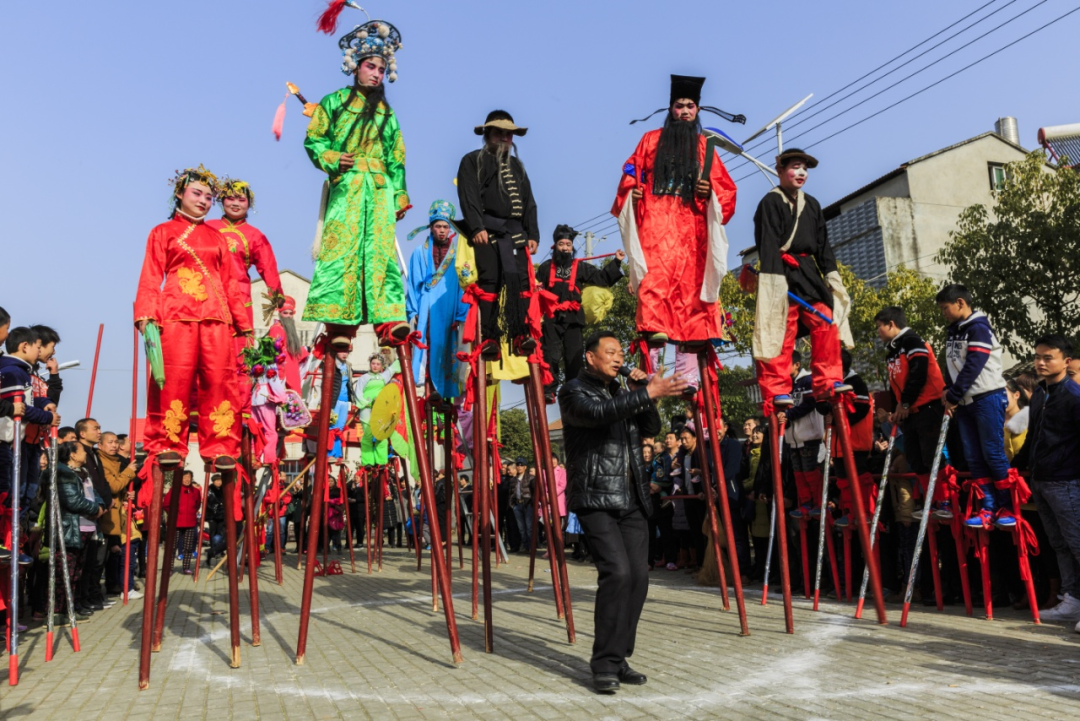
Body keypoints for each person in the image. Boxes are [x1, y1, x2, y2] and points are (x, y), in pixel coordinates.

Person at [559, 330, 686, 693]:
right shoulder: (572, 391)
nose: (617, 358)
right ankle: (603, 665)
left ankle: (618, 657)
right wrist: (643, 394)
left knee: (638, 579)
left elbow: (652, 427)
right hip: (596, 497)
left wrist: (643, 392)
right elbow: (597, 415)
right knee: (616, 573)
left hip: (632, 499)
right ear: (590, 357)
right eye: (610, 352)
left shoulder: (623, 392)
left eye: (620, 354)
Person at [303, 18, 410, 347]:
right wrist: (332, 158)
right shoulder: (333, 102)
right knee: (342, 251)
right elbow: (314, 139)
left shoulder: (386, 113)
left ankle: (389, 323)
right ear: (355, 67)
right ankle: (339, 328)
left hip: (379, 190)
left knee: (380, 253)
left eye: (381, 69)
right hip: (347, 188)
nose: (376, 74)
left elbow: (396, 155)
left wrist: (400, 194)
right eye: (370, 67)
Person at [134, 165, 250, 468]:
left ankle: (220, 446)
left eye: (209, 197)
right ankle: (167, 443)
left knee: (220, 381)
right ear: (179, 194)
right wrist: (147, 314)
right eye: (197, 193)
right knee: (173, 378)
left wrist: (245, 326)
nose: (203, 201)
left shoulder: (218, 237)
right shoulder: (161, 232)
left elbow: (230, 284)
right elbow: (150, 276)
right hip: (175, 315)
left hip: (216, 317)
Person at [612, 75, 738, 347]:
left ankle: (697, 331)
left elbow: (726, 189)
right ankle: (655, 325)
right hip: (656, 223)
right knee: (655, 275)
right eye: (679, 106)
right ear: (670, 109)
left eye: (690, 106)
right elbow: (631, 171)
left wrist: (710, 194)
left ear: (698, 110)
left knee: (693, 279)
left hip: (693, 226)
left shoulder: (705, 147)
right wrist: (633, 191)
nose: (684, 111)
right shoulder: (650, 140)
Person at [745, 149, 854, 410]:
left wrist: (831, 275)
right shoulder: (769, 203)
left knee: (826, 321)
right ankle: (777, 389)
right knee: (782, 332)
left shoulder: (813, 204)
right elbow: (768, 244)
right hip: (779, 271)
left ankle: (828, 380)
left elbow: (824, 246)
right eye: (795, 167)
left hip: (808, 272)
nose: (801, 173)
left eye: (804, 168)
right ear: (780, 170)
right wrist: (774, 284)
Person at [457, 110, 540, 359]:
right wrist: (477, 227)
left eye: (508, 134)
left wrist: (533, 232)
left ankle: (520, 334)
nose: (504, 138)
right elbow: (468, 195)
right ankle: (490, 338)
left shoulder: (517, 166)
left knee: (522, 283)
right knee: (490, 282)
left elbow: (528, 202)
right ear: (488, 135)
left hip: (516, 233)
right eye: (499, 133)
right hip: (488, 231)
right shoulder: (471, 160)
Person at [1011, 335, 1080, 628]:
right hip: (1040, 480)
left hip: (1066, 481)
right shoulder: (1039, 393)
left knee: (1077, 542)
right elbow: (1033, 436)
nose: (1039, 362)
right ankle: (1072, 600)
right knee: (1059, 544)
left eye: (1047, 357)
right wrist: (1015, 467)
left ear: (1066, 361)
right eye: (1037, 356)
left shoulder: (1074, 396)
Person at [937, 284, 1013, 529]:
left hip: (986, 397)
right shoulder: (953, 331)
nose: (944, 313)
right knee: (973, 457)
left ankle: (1006, 506)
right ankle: (988, 507)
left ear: (960, 302)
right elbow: (952, 367)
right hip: (965, 402)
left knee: (992, 452)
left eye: (945, 308)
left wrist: (954, 393)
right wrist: (947, 389)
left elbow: (974, 364)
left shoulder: (978, 327)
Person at [208, 177, 284, 421]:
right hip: (207, 298)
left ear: (249, 204)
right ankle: (202, 407)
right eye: (230, 198)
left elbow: (269, 269)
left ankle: (239, 409)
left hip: (240, 302)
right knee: (208, 351)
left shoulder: (254, 235)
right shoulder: (206, 227)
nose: (235, 203)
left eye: (241, 199)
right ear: (221, 201)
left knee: (238, 356)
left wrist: (277, 300)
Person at [535, 225, 625, 400]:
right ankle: (548, 390)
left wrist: (617, 262)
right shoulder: (545, 267)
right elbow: (536, 288)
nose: (565, 248)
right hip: (551, 316)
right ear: (555, 246)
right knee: (549, 353)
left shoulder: (580, 267)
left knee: (574, 356)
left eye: (568, 244)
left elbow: (601, 278)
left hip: (574, 316)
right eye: (562, 244)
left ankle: (574, 391)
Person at [875, 306, 948, 518]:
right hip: (910, 413)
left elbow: (919, 373)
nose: (878, 332)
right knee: (915, 460)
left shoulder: (913, 341)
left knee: (931, 457)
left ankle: (945, 500)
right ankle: (931, 500)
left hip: (929, 407)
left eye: (880, 327)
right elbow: (895, 385)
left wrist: (905, 403)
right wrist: (896, 409)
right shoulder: (892, 350)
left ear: (891, 324)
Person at [405, 199, 468, 399]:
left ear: (450, 229)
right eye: (438, 226)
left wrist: (460, 312)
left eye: (445, 226)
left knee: (446, 345)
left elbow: (461, 284)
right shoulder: (419, 252)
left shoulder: (458, 253)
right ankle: (427, 388)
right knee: (426, 344)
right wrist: (413, 310)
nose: (442, 230)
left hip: (448, 305)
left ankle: (445, 392)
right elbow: (413, 283)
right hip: (426, 304)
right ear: (431, 227)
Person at [54, 441, 106, 623]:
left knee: (78, 572)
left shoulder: (84, 473)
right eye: (82, 451)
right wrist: (95, 510)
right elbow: (72, 501)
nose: (85, 454)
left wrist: (100, 507)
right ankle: (59, 611)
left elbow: (96, 495)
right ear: (72, 455)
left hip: (87, 527)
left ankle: (74, 605)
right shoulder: (63, 473)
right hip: (71, 528)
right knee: (65, 572)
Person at [777, 350, 828, 518]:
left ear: (797, 365)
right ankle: (805, 503)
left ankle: (819, 503)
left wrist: (789, 415)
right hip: (793, 439)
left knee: (811, 473)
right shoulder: (786, 384)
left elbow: (810, 403)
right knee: (799, 474)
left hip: (810, 436)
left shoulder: (808, 380)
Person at [831, 349, 875, 529]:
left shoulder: (856, 382)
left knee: (859, 478)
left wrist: (840, 421)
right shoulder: (833, 383)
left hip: (855, 442)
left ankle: (865, 511)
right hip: (839, 444)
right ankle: (850, 512)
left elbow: (863, 407)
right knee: (843, 480)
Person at [97, 431, 140, 597]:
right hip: (105, 515)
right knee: (100, 561)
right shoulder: (103, 461)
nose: (114, 445)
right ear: (100, 445)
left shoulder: (114, 460)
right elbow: (113, 486)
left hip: (114, 514)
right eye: (110, 442)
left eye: (116, 442)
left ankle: (106, 590)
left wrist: (125, 495)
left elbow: (116, 490)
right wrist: (129, 471)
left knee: (111, 555)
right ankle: (95, 594)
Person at [355, 351, 399, 465]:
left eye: (378, 364)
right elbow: (358, 393)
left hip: (380, 409)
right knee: (368, 434)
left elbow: (394, 367)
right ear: (370, 364)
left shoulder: (383, 377)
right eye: (373, 363)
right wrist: (365, 403)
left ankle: (381, 460)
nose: (375, 366)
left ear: (382, 366)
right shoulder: (363, 378)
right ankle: (367, 461)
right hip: (367, 408)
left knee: (381, 434)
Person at [163, 470, 202, 574]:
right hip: (175, 523)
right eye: (184, 477)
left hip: (190, 522)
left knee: (188, 546)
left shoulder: (196, 491)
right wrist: (174, 514)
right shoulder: (174, 490)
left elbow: (198, 504)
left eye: (189, 477)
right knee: (172, 546)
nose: (187, 479)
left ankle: (186, 567)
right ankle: (169, 568)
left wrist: (192, 512)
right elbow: (166, 504)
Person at [267, 297, 309, 393]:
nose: (288, 316)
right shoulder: (276, 329)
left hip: (292, 368)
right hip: (284, 369)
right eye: (285, 313)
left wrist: (307, 350)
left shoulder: (289, 330)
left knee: (295, 396)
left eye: (290, 313)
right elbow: (275, 353)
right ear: (280, 314)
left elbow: (293, 351)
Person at [1003, 378, 1029, 461]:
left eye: (1003, 395)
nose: (999, 400)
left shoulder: (1030, 418)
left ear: (1016, 395)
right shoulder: (992, 422)